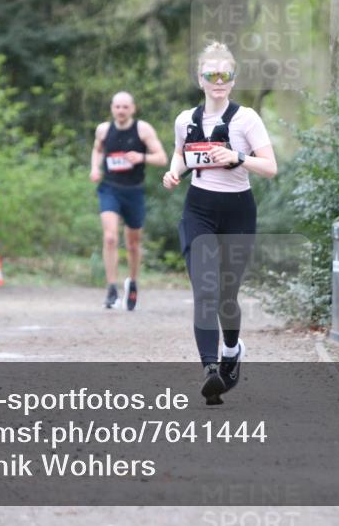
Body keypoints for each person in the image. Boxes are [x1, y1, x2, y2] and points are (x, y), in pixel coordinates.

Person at [163, 42, 277, 404]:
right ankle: (211, 370)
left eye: (224, 75)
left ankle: (232, 351)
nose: (217, 81)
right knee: (205, 291)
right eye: (210, 75)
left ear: (232, 80)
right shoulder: (186, 119)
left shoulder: (247, 119)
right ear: (200, 79)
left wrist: (237, 156)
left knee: (227, 295)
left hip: (238, 211)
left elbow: (270, 167)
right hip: (199, 209)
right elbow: (181, 153)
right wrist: (172, 172)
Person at [90, 91, 167, 310]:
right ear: (112, 109)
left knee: (133, 243)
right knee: (111, 237)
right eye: (117, 107)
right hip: (109, 188)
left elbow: (162, 158)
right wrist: (95, 168)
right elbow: (97, 151)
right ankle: (111, 288)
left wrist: (141, 157)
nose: (121, 111)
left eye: (125, 107)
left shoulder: (143, 130)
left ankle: (132, 283)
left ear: (132, 109)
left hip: (134, 191)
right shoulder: (103, 130)